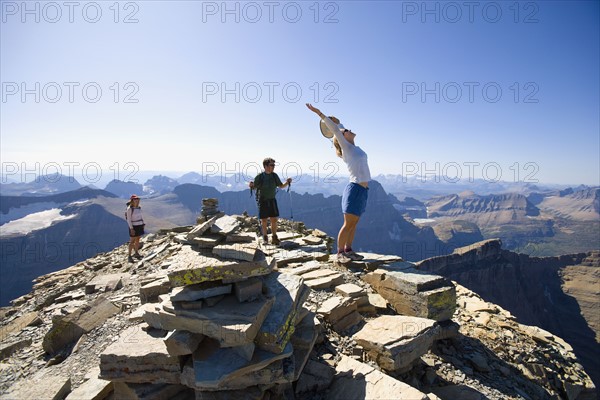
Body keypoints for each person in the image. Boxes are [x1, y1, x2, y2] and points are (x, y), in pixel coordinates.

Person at [306, 103, 371, 263]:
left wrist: (339, 121)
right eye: (346, 131)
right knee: (348, 224)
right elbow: (336, 131)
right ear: (343, 139)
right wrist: (319, 113)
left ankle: (349, 250)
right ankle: (340, 253)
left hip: (363, 191)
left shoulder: (354, 148)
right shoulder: (347, 149)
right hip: (355, 189)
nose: (348, 130)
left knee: (354, 224)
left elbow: (340, 128)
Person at [249, 157, 292, 245]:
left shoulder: (274, 175)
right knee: (264, 220)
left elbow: (280, 186)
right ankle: (265, 238)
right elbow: (254, 187)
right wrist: (250, 185)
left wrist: (287, 182)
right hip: (263, 200)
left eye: (273, 165)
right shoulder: (260, 177)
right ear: (265, 166)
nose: (273, 167)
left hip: (272, 200)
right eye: (271, 165)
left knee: (274, 219)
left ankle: (274, 237)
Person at [126, 194, 145, 262]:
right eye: (135, 199)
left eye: (137, 199)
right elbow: (128, 219)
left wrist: (142, 223)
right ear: (132, 200)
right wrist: (131, 228)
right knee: (132, 241)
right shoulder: (129, 209)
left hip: (139, 225)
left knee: (137, 239)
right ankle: (129, 255)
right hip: (133, 226)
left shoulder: (138, 207)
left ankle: (136, 253)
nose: (136, 200)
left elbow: (140, 216)